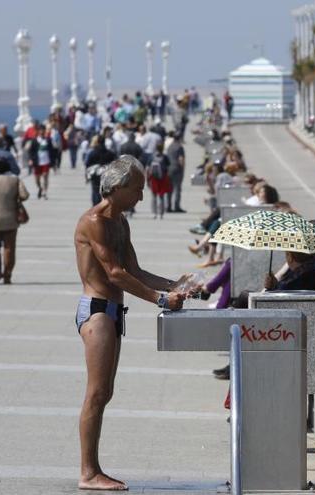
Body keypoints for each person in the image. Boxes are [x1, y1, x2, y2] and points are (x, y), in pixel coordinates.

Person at [73, 155, 190, 491]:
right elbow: (114, 274)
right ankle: (88, 473)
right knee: (95, 395)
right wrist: (160, 300)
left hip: (112, 311)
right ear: (119, 187)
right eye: (138, 189)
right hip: (97, 311)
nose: (142, 196)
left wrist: (176, 285)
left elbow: (135, 271)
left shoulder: (121, 222)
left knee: (105, 393)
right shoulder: (94, 221)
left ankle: (92, 469)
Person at [85, 136, 118, 206]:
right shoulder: (110, 153)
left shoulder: (92, 152)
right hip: (107, 176)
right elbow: (116, 163)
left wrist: (87, 176)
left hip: (95, 175)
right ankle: (105, 207)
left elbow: (87, 164)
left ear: (97, 142)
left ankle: (96, 207)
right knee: (106, 192)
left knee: (95, 192)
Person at [27, 123, 54, 199]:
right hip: (37, 162)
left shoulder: (48, 140)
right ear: (38, 131)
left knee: (45, 176)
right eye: (40, 130)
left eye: (43, 130)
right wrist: (30, 159)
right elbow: (31, 151)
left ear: (45, 131)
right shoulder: (34, 140)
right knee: (37, 179)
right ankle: (40, 188)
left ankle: (45, 192)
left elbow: (52, 150)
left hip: (46, 161)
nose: (42, 131)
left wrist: (53, 161)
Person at [146, 141, 172, 219]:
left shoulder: (151, 156)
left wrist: (147, 179)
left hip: (154, 179)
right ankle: (161, 213)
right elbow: (168, 167)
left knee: (154, 196)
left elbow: (147, 168)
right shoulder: (165, 157)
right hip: (162, 179)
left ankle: (154, 213)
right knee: (161, 196)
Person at [166, 131, 186, 213]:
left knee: (169, 189)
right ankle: (176, 206)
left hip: (169, 168)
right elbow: (181, 159)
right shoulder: (180, 147)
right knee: (177, 188)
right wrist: (183, 169)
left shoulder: (169, 146)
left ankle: (169, 206)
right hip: (177, 168)